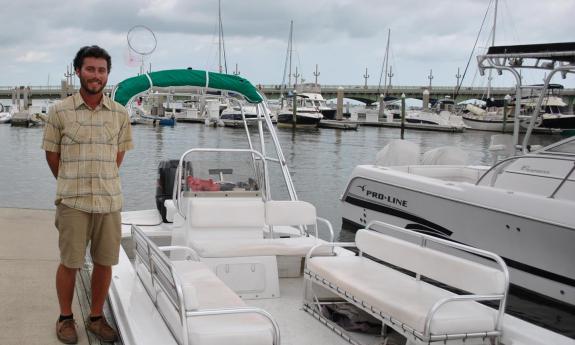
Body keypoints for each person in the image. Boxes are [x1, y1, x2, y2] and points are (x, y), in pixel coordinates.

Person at [42, 45, 133, 344]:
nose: (96, 75)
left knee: (105, 262)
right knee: (70, 262)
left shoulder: (120, 114)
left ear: (108, 75)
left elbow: (117, 157)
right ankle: (65, 317)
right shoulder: (59, 112)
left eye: (102, 70)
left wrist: (101, 180)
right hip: (73, 202)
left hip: (109, 201)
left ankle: (95, 317)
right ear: (78, 70)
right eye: (90, 69)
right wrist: (71, 182)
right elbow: (52, 155)